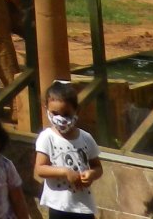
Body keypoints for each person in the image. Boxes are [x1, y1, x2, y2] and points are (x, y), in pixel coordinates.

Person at [34, 80, 103, 219]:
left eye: (66, 114)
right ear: (46, 108)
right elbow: (40, 169)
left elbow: (98, 167)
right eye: (55, 113)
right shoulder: (47, 137)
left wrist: (91, 174)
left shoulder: (86, 137)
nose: (60, 118)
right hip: (59, 206)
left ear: (76, 111)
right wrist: (65, 172)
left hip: (83, 206)